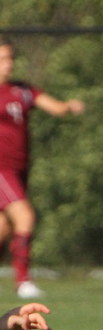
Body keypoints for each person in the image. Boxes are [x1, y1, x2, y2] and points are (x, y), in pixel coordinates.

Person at [0, 36, 85, 299]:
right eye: (2, 59)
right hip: (1, 170)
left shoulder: (23, 90)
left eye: (10, 58)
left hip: (19, 169)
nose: (8, 64)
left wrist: (69, 106)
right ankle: (23, 282)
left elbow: (56, 107)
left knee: (4, 227)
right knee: (25, 217)